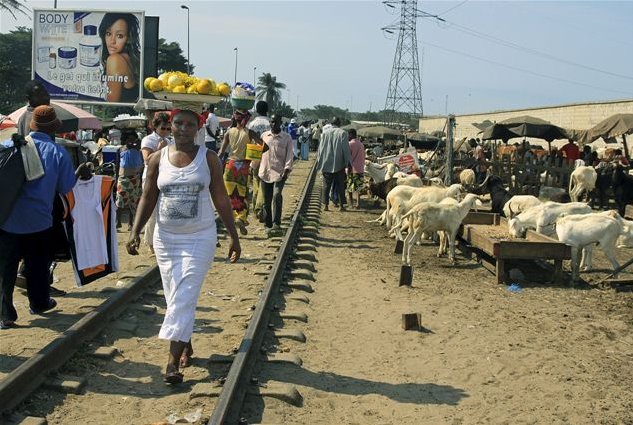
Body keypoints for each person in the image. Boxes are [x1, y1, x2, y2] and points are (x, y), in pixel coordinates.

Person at [126, 109, 241, 384]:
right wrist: (135, 231)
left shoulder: (208, 158)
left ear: (199, 128)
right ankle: (185, 342)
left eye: (190, 124)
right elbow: (148, 196)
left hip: (199, 237)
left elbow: (221, 198)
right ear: (170, 126)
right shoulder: (157, 158)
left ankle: (171, 362)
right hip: (166, 239)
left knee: (184, 294)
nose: (183, 129)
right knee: (174, 297)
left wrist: (233, 235)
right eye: (178, 123)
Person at [0, 106, 76, 329]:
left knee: (5, 268)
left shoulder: (10, 145)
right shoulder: (57, 152)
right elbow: (65, 186)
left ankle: (5, 315)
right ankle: (39, 303)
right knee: (37, 265)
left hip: (7, 218)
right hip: (39, 220)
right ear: (54, 129)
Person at [218, 109, 264, 236]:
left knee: (231, 195)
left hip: (230, 166)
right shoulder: (250, 133)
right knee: (242, 195)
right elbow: (265, 146)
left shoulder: (229, 132)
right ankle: (241, 218)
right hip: (243, 166)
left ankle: (235, 218)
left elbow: (221, 153)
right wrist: (252, 154)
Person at [140, 112, 173, 251]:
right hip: (150, 178)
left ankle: (162, 241)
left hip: (166, 178)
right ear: (156, 127)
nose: (165, 131)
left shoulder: (171, 141)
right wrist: (159, 150)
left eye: (168, 128)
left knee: (165, 211)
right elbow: (147, 160)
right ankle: (150, 243)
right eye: (163, 128)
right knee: (151, 212)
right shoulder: (148, 140)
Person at [259, 114, 294, 237]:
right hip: (265, 172)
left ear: (280, 122)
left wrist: (287, 170)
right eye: (272, 122)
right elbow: (259, 152)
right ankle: (268, 225)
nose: (274, 124)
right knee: (266, 200)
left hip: (280, 173)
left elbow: (290, 155)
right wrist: (253, 167)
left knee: (277, 195)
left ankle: (276, 223)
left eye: (276, 122)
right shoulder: (264, 136)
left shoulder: (286, 138)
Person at [99, 13, 141, 103]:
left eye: (119, 36)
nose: (112, 41)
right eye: (108, 33)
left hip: (120, 116)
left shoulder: (115, 60)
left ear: (128, 38)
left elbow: (112, 106)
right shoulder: (130, 59)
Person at [316, 117, 351, 212]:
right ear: (339, 124)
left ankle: (326, 205)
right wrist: (348, 163)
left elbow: (320, 149)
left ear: (331, 123)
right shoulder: (343, 133)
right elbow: (346, 150)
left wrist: (320, 161)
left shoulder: (325, 133)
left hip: (326, 163)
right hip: (339, 164)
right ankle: (341, 206)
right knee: (340, 185)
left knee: (326, 186)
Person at [246, 101, 272, 224]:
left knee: (256, 179)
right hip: (267, 154)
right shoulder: (270, 123)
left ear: (256, 109)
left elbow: (249, 140)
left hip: (254, 153)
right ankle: (259, 206)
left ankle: (256, 202)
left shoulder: (252, 123)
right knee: (265, 180)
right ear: (267, 109)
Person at [116, 129, 144, 230]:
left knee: (134, 203)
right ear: (125, 140)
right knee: (120, 202)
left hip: (135, 179)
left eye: (133, 140)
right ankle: (118, 222)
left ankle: (131, 224)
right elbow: (117, 165)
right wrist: (116, 179)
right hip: (122, 179)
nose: (131, 142)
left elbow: (141, 142)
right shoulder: (120, 150)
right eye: (129, 139)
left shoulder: (138, 150)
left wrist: (137, 141)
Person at [346, 129, 365, 209]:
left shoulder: (350, 144)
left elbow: (348, 157)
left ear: (351, 135)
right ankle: (358, 204)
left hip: (352, 169)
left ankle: (351, 204)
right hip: (360, 169)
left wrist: (347, 168)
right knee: (358, 188)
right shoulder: (361, 144)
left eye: (348, 135)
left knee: (350, 188)